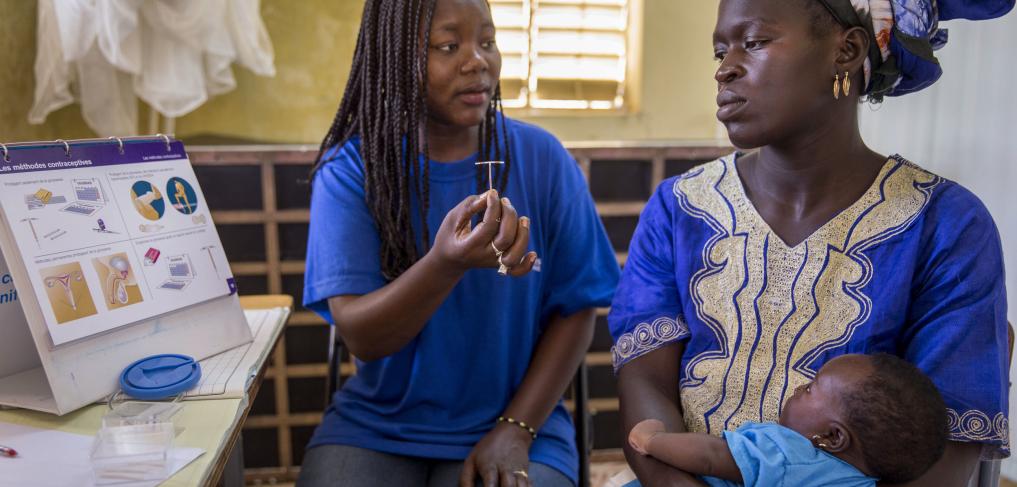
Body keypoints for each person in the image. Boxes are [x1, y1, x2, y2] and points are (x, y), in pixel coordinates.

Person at [608, 0, 1012, 486]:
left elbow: (945, 448)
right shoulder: (680, 207)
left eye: (754, 43)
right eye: (720, 52)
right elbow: (645, 381)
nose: (726, 70)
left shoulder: (947, 224)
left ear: (846, 51)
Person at [297, 0, 619, 486]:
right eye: (450, 46)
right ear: (396, 57)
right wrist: (445, 265)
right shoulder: (352, 171)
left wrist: (517, 428)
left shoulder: (542, 158)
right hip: (379, 426)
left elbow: (576, 310)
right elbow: (361, 335)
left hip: (518, 417)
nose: (478, 61)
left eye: (487, 41)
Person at [626, 354, 948, 487]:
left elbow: (711, 456)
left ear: (833, 438)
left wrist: (653, 440)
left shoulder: (788, 454)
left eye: (811, 388)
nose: (798, 386)